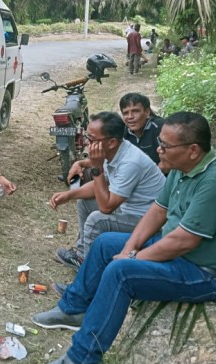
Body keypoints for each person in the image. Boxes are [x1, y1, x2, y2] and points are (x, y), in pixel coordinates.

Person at [32, 112, 216, 364]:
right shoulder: (181, 170)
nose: (158, 150)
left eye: (165, 146)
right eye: (160, 143)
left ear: (193, 150)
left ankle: (85, 361)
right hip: (179, 252)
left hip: (205, 272)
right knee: (105, 244)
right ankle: (74, 309)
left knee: (120, 272)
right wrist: (129, 248)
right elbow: (158, 212)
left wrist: (133, 259)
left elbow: (183, 241)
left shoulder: (215, 182)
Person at [51, 112, 165, 271]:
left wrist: (96, 167)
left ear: (111, 142)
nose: (86, 143)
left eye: (91, 139)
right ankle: (82, 253)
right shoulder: (114, 151)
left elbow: (106, 207)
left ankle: (88, 272)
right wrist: (69, 194)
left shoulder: (130, 163)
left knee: (97, 219)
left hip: (148, 220)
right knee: (85, 201)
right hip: (130, 209)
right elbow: (101, 187)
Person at [119, 93, 164, 165]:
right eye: (126, 113)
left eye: (135, 111)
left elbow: (170, 162)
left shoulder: (160, 128)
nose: (130, 117)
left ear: (147, 112)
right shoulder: (123, 133)